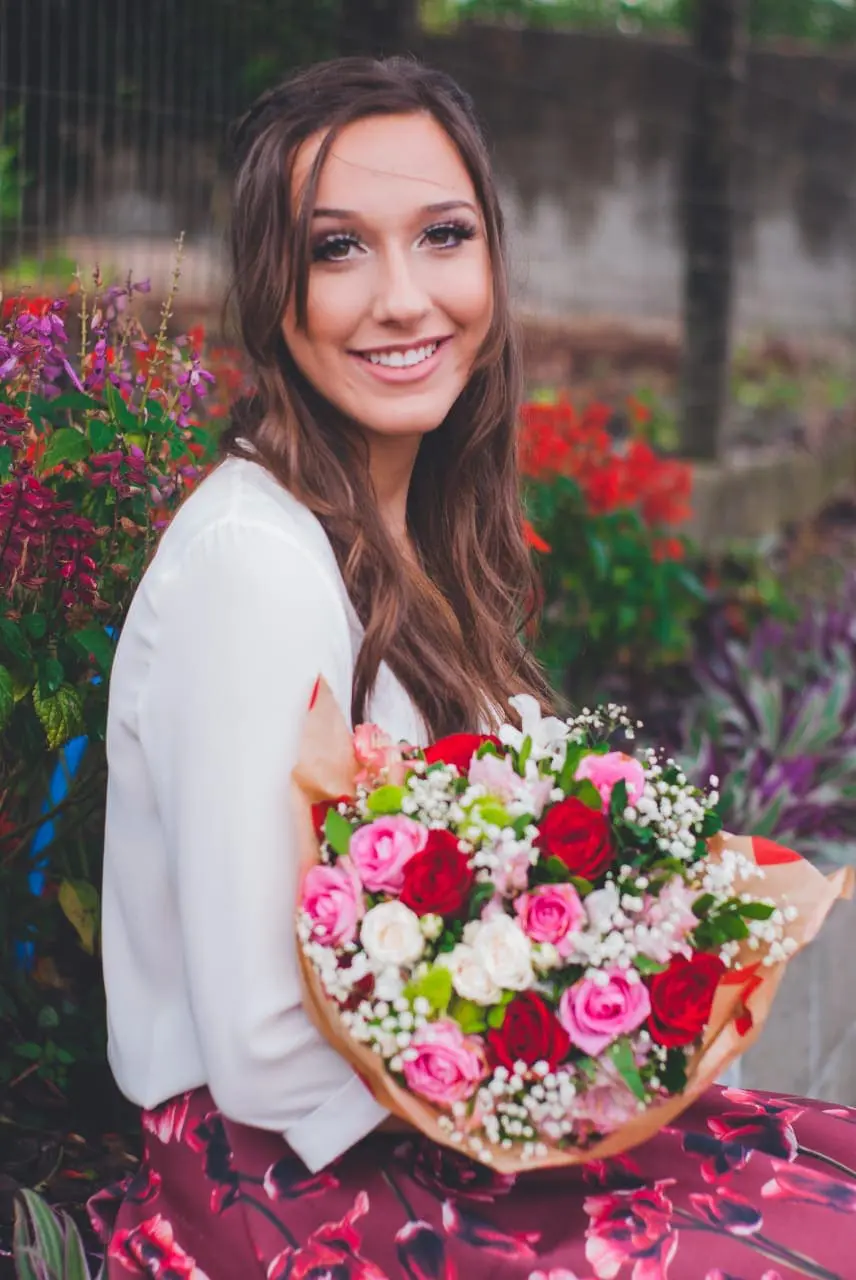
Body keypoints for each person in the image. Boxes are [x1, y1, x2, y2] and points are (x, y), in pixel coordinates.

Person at [92, 56, 856, 1280]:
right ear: (269, 289)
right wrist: (566, 1102)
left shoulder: (404, 527)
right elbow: (256, 1045)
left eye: (442, 235)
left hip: (411, 1138)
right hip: (280, 1187)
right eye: (337, 248)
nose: (403, 297)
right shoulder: (257, 562)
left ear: (491, 256)